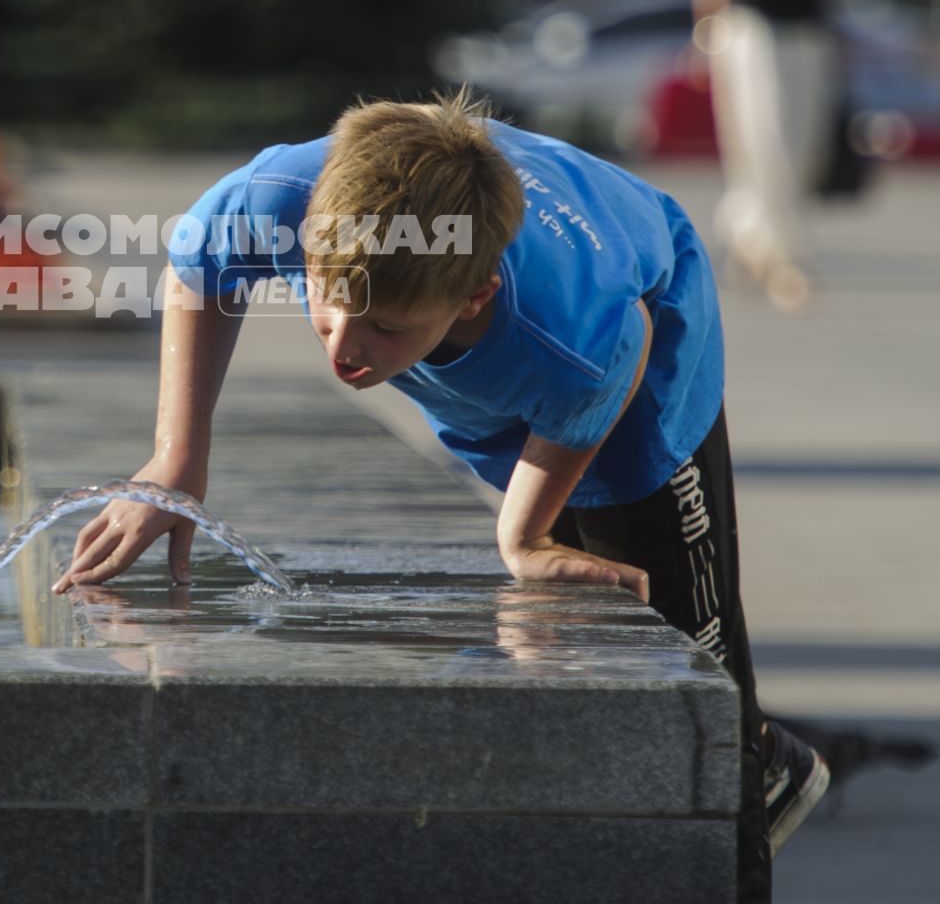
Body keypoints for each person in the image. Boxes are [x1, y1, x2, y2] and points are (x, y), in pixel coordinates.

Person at [51, 91, 826, 901]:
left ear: (474, 296)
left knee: (687, 668)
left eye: (384, 327)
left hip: (648, 343)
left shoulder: (568, 332)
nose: (345, 349)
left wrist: (521, 535)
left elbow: (617, 360)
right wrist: (176, 458)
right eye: (328, 302)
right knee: (575, 613)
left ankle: (753, 782)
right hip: (501, 356)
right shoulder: (279, 201)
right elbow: (196, 267)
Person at [692, 0, 843, 311]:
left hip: (805, 30)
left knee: (801, 146)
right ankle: (782, 256)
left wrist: (835, 27)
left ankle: (748, 237)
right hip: (752, 32)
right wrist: (704, 28)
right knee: (763, 140)